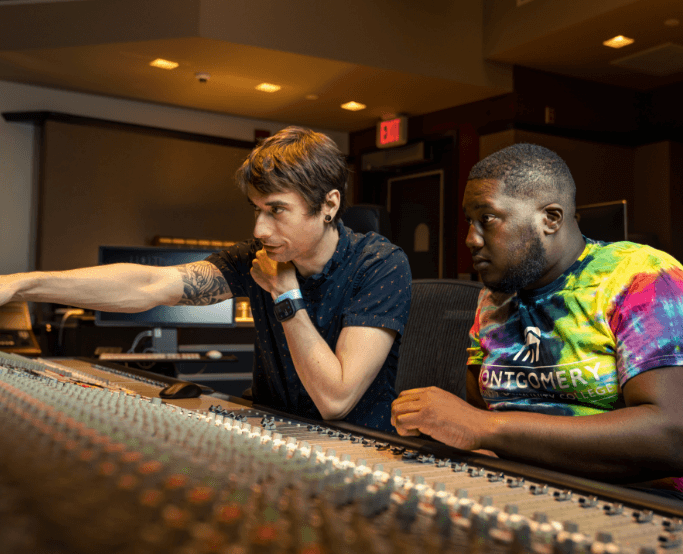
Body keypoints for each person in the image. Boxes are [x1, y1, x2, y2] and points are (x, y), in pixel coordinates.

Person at [390, 143, 683, 511]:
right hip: (542, 493)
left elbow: (672, 439)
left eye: (487, 219)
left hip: (679, 507)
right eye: (469, 222)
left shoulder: (645, 279)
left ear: (551, 218)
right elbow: (484, 418)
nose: (471, 238)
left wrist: (481, 428)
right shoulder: (494, 299)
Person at [0, 126, 411, 432]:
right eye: (256, 210)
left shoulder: (380, 265)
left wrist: (286, 293)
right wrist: (22, 284)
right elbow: (149, 285)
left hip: (354, 446)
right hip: (272, 436)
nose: (260, 231)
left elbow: (335, 400)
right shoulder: (258, 257)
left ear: (329, 205)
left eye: (276, 210)